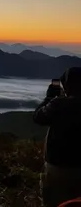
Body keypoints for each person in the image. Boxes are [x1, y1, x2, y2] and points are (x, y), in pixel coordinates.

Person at [34, 67, 81, 207]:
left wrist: (49, 97)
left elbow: (38, 117)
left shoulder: (59, 105)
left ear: (67, 86)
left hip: (58, 168)